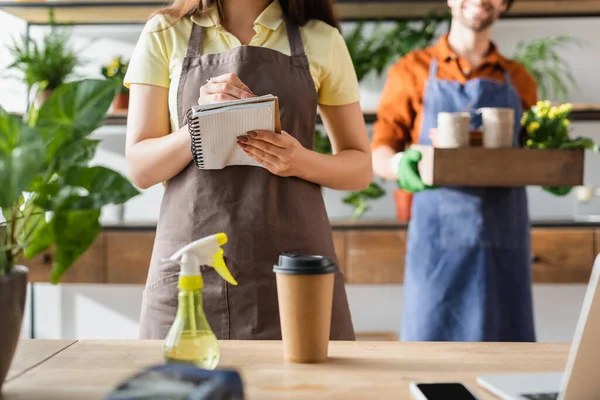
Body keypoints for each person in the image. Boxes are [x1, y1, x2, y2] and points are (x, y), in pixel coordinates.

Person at [123, 0, 371, 340]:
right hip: (192, 270)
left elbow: (359, 167)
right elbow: (141, 167)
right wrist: (198, 121)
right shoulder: (165, 32)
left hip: (295, 273)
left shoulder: (320, 39)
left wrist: (299, 161)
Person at [371, 0, 563, 342]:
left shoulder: (518, 78)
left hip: (503, 241)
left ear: (504, 4)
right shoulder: (412, 70)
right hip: (436, 244)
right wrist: (401, 165)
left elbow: (532, 151)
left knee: (506, 353)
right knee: (430, 356)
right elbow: (380, 151)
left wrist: (556, 167)